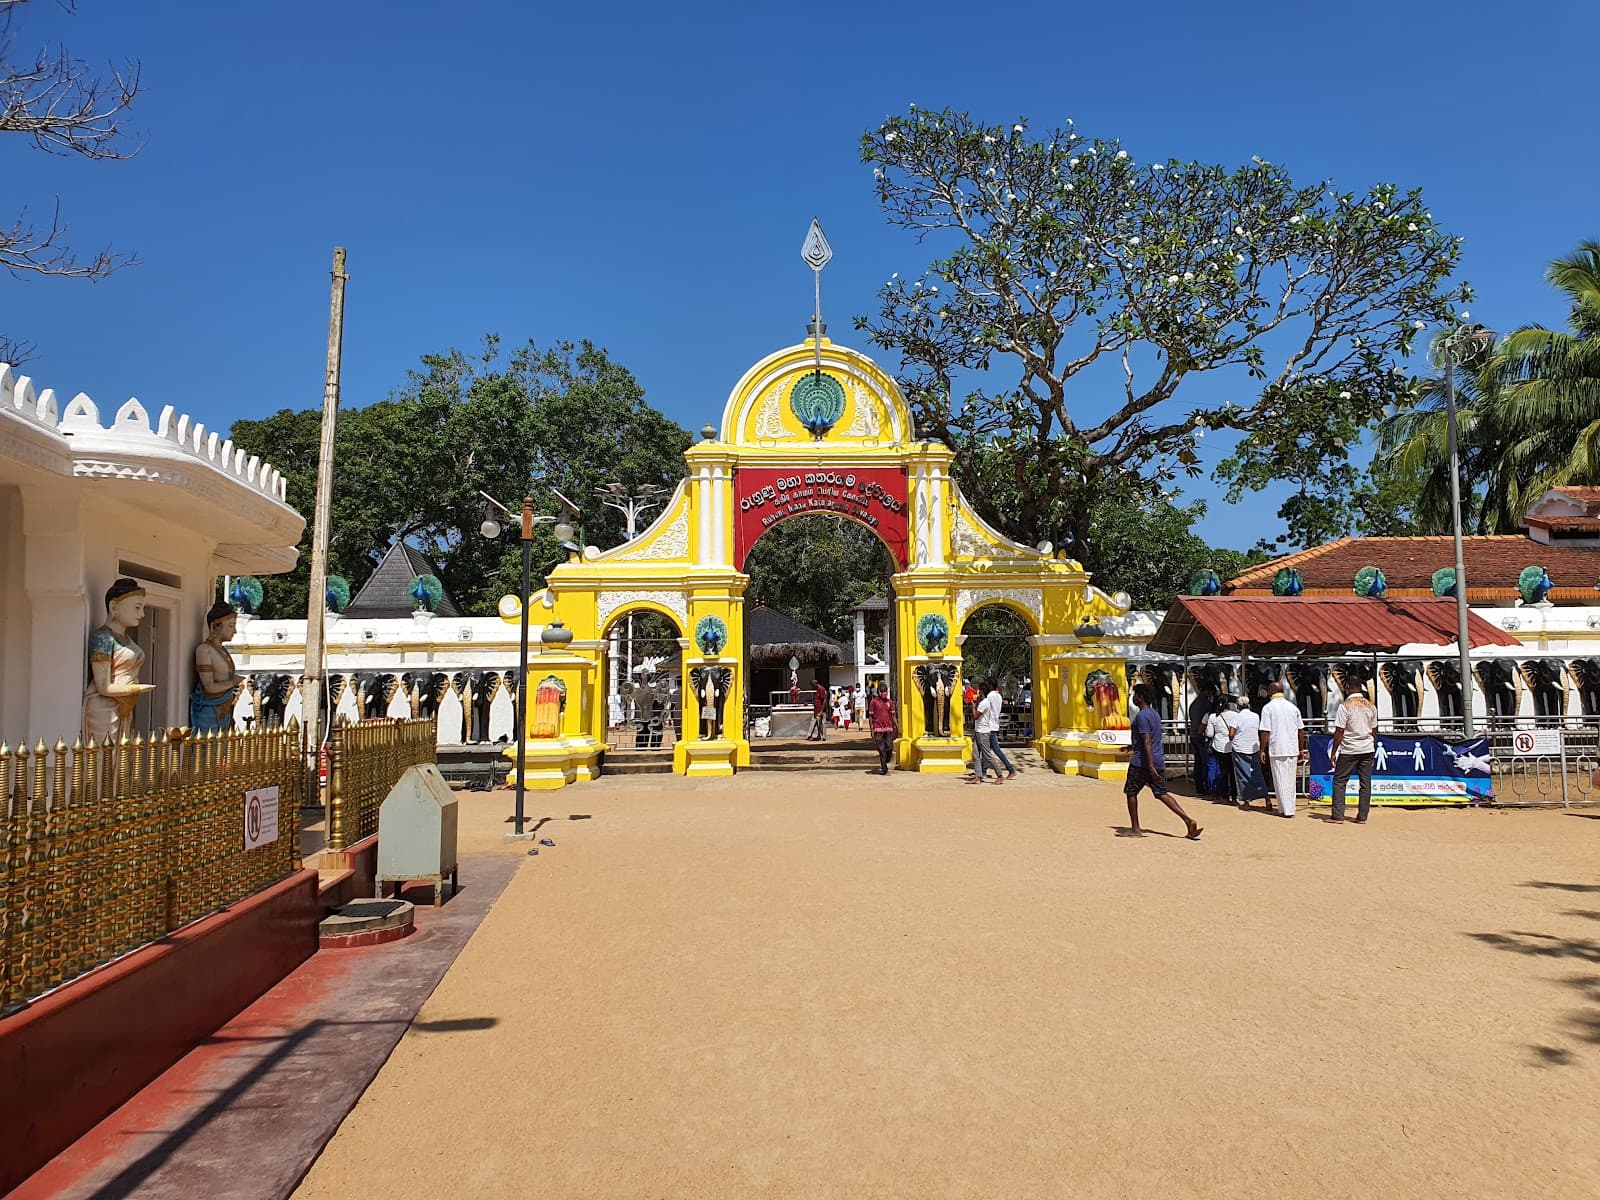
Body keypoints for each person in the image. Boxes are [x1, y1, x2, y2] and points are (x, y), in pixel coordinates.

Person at [1123, 683, 1202, 840]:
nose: (1133, 698)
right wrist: (1132, 746)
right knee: (1161, 793)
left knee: (1131, 792)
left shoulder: (1141, 716)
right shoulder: (1154, 714)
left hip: (1142, 762)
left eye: (1135, 695)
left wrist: (1150, 766)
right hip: (1157, 759)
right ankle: (1188, 820)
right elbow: (1149, 738)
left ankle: (1135, 828)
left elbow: (1147, 741)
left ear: (1140, 697)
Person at [1329, 684, 1380, 824]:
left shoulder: (1345, 706)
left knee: (1339, 782)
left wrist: (1334, 751)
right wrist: (1373, 746)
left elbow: (1339, 731)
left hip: (1349, 749)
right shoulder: (1371, 706)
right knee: (1365, 783)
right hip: (1367, 748)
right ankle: (1362, 816)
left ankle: (1338, 816)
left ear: (1347, 688)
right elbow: (1374, 730)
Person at [1259, 681, 1307, 817]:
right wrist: (1301, 749)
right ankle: (1286, 807)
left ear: (1271, 691)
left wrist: (1262, 749)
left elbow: (1265, 731)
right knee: (1290, 780)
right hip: (1292, 748)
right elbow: (1300, 731)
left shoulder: (1268, 708)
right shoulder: (1293, 708)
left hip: (1277, 748)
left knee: (1280, 779)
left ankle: (1286, 809)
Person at [1226, 695, 1266, 809]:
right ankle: (1266, 799)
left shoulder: (1236, 717)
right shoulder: (1255, 716)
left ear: (1238, 706)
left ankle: (1247, 801)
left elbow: (1231, 734)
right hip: (1254, 747)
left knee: (1243, 775)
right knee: (1257, 774)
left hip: (1240, 748)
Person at [967, 679, 1008, 784]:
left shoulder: (984, 703)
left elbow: (975, 717)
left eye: (979, 691)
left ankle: (999, 775)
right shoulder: (982, 702)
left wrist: (973, 705)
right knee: (976, 755)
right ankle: (978, 776)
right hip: (978, 731)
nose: (977, 693)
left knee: (987, 755)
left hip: (983, 732)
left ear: (983, 692)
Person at [1204, 694, 1235, 804]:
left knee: (1222, 772)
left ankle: (1224, 795)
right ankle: (1234, 796)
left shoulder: (1213, 717)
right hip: (1232, 746)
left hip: (1218, 746)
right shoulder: (1235, 715)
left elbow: (1209, 733)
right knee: (1232, 772)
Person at [868, 685, 898, 775]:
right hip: (878, 728)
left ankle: (887, 759)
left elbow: (893, 715)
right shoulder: (874, 702)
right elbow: (870, 716)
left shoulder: (890, 702)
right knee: (881, 749)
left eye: (885, 691)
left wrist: (897, 726)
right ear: (879, 692)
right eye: (882, 691)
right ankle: (884, 768)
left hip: (888, 727)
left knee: (889, 747)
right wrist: (871, 729)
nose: (884, 693)